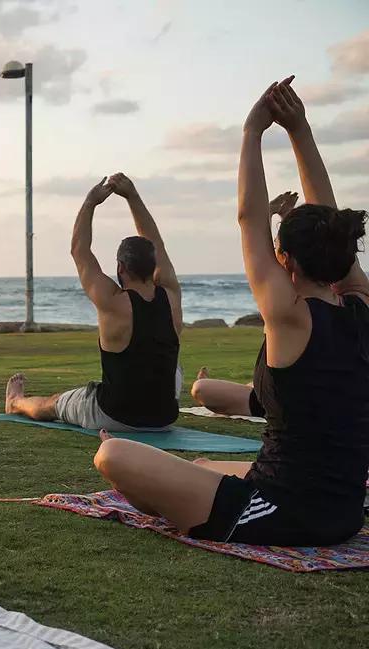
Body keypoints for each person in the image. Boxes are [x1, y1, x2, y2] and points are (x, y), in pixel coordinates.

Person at [92, 77, 369, 546]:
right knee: (201, 467)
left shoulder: (290, 316)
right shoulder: (361, 305)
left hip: (281, 511)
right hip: (343, 513)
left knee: (113, 456)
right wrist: (300, 130)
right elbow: (329, 222)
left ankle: (170, 491)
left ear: (289, 263)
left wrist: (252, 132)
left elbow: (249, 219)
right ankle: (188, 482)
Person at [5, 172, 183, 431]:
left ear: (120, 267)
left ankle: (16, 402)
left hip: (113, 416)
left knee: (55, 403)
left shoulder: (112, 301)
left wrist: (90, 203)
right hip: (163, 419)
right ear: (155, 265)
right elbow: (157, 244)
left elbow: (80, 250)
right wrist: (132, 196)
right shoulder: (172, 296)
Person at [190, 191, 299, 418]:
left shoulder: (287, 302)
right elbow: (301, 252)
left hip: (280, 402)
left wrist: (266, 215)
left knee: (202, 389)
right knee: (254, 382)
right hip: (289, 391)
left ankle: (225, 392)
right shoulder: (332, 295)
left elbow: (264, 257)